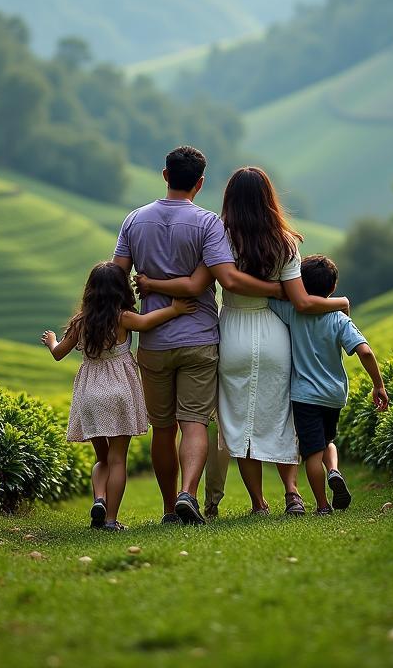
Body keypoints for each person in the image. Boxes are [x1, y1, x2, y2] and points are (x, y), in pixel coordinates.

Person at [136, 166, 351, 516]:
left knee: (240, 424)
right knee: (282, 417)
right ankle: (292, 494)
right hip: (273, 335)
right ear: (269, 198)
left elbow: (209, 283)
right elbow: (300, 301)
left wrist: (151, 284)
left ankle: (257, 503)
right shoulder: (286, 241)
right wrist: (338, 302)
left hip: (233, 331)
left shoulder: (221, 235)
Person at [113, 146, 282, 525]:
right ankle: (190, 491)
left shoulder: (134, 221)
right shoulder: (209, 225)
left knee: (162, 428)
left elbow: (115, 277)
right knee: (194, 423)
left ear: (164, 175)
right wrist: (275, 290)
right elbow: (223, 278)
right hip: (200, 337)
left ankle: (170, 506)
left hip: (153, 341)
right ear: (200, 183)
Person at [40, 260, 197, 531]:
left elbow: (58, 353)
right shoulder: (123, 317)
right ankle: (111, 520)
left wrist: (52, 339)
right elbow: (148, 322)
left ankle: (99, 498)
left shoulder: (80, 322)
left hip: (90, 395)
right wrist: (175, 309)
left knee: (102, 460)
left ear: (90, 290)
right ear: (121, 289)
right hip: (119, 393)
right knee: (117, 459)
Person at [269, 254, 389, 514]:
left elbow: (269, 301)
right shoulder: (339, 318)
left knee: (312, 452)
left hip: (304, 395)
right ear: (332, 288)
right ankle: (333, 470)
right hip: (333, 394)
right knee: (327, 441)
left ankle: (323, 505)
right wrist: (378, 385)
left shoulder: (292, 311)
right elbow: (365, 352)